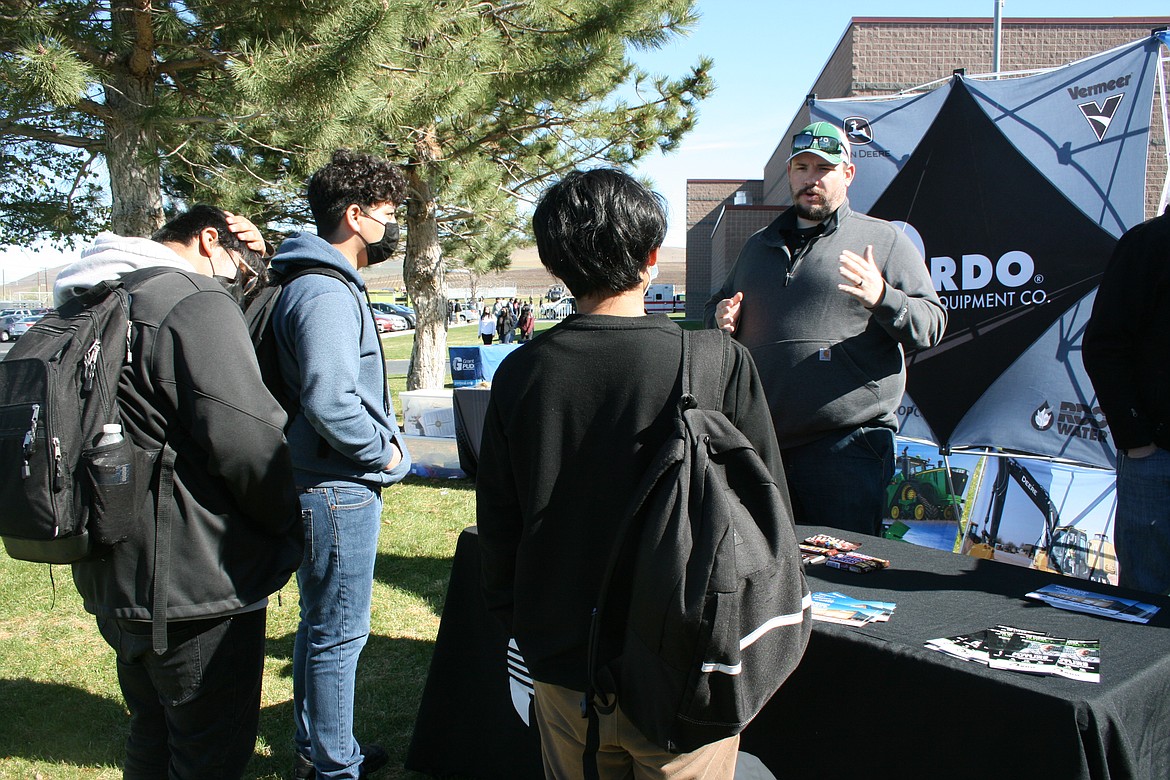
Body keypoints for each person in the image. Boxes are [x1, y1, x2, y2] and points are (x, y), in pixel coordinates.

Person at [477, 169, 788, 778]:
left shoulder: (521, 373)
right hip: (688, 671)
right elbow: (769, 511)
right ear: (651, 258)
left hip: (566, 671)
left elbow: (500, 528)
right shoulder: (717, 361)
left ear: (556, 265)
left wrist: (530, 630)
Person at [54, 205, 304, 778]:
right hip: (195, 582)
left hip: (114, 566)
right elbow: (247, 441)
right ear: (209, 239)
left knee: (152, 730)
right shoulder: (191, 299)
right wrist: (287, 528)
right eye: (242, 263)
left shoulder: (98, 296)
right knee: (208, 752)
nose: (245, 277)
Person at [704, 121, 946, 536]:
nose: (810, 179)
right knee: (768, 576)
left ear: (847, 175)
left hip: (847, 448)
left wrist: (883, 296)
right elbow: (718, 304)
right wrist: (719, 316)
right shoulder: (757, 246)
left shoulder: (882, 240)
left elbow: (932, 325)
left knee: (843, 582)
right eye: (802, 168)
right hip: (762, 444)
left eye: (823, 169)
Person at [268, 149, 412, 780]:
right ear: (355, 216)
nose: (391, 225)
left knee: (320, 624)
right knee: (340, 632)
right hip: (336, 485)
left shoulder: (313, 281)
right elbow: (330, 397)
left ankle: (321, 748)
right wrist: (383, 452)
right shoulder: (325, 290)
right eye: (386, 212)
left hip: (321, 480)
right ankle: (332, 765)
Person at [1083, 209, 1170, 594]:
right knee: (1145, 603)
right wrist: (1137, 441)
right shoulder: (1150, 243)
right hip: (1157, 459)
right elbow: (1104, 346)